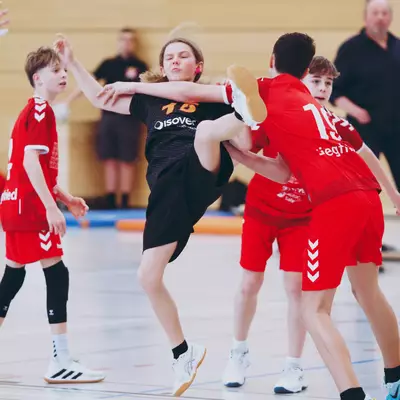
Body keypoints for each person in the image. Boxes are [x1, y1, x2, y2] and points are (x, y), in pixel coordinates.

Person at [54, 34, 289, 396]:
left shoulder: (211, 98)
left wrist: (241, 120)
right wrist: (71, 62)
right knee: (148, 277)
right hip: (166, 191)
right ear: (162, 68)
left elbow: (244, 146)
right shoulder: (149, 100)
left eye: (183, 56)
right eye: (170, 57)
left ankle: (243, 112)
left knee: (206, 132)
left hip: (200, 170)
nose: (176, 60)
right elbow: (100, 97)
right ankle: (183, 353)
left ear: (198, 67)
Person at [226, 33, 400, 400]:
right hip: (319, 204)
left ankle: (325, 379)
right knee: (362, 291)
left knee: (310, 304)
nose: (321, 88)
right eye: (316, 80)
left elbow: (366, 154)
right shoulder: (300, 113)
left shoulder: (307, 110)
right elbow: (266, 157)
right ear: (302, 77)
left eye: (327, 83)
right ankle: (395, 379)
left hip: (321, 209)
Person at [0, 46, 105, 384]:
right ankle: (60, 360)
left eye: (64, 69)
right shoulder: (41, 111)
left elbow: (34, 170)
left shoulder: (31, 111)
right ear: (37, 78)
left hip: (14, 203)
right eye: (56, 70)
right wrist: (50, 207)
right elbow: (30, 162)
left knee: (13, 276)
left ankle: (61, 357)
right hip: (30, 208)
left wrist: (66, 198)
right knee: (57, 273)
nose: (63, 75)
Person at [331, 0, 400, 259]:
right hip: (364, 130)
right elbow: (335, 90)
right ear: (366, 17)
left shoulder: (397, 46)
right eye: (375, 12)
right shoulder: (351, 49)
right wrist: (356, 110)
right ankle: (365, 246)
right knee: (365, 189)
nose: (380, 17)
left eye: (384, 13)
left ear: (390, 17)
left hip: (396, 129)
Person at [61, 27, 148, 209]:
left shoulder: (141, 66)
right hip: (108, 117)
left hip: (130, 118)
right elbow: (88, 83)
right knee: (109, 156)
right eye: (123, 39)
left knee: (127, 158)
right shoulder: (109, 64)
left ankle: (125, 201)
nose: (126, 43)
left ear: (134, 43)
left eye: (130, 40)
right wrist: (67, 101)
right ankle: (110, 199)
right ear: (118, 42)